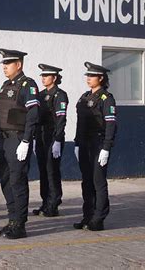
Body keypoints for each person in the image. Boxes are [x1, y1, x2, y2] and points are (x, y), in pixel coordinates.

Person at [0, 49, 39, 239]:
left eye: (8, 63)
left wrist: (26, 141)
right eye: (3, 63)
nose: (4, 66)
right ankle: (12, 220)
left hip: (18, 139)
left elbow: (33, 115)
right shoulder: (5, 85)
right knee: (6, 181)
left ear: (18, 65)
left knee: (17, 182)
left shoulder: (28, 85)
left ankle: (20, 225)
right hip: (3, 139)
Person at [73, 62, 117, 231]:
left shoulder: (106, 98)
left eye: (92, 76)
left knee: (98, 181)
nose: (88, 79)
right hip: (84, 143)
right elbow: (80, 123)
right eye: (87, 76)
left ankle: (98, 218)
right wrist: (77, 143)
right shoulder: (84, 97)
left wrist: (106, 147)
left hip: (98, 143)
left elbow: (111, 124)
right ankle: (88, 216)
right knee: (87, 182)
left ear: (101, 78)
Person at [32, 64, 68, 217]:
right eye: (42, 76)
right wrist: (34, 138)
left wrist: (58, 140)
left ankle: (53, 203)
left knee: (52, 170)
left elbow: (61, 119)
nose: (43, 78)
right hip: (41, 137)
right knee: (43, 171)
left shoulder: (60, 95)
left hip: (53, 136)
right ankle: (45, 202)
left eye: (46, 76)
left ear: (54, 78)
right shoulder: (40, 95)